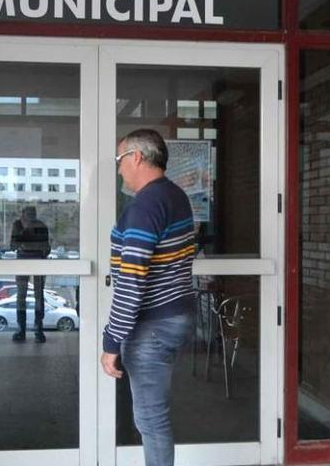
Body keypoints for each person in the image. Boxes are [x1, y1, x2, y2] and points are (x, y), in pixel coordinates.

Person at [101, 129, 196, 466]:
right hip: (176, 315)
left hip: (153, 324)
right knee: (154, 413)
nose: (119, 169)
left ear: (137, 157)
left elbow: (132, 278)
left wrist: (111, 341)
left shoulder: (146, 204)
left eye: (119, 160)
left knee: (151, 419)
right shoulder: (175, 196)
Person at [9, 206, 51, 342]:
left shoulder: (41, 226)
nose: (31, 216)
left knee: (39, 294)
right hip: (23, 261)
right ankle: (21, 328)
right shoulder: (18, 225)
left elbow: (46, 247)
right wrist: (27, 234)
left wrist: (28, 244)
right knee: (21, 295)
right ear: (22, 214)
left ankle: (39, 327)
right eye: (29, 213)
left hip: (38, 260)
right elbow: (13, 245)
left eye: (33, 213)